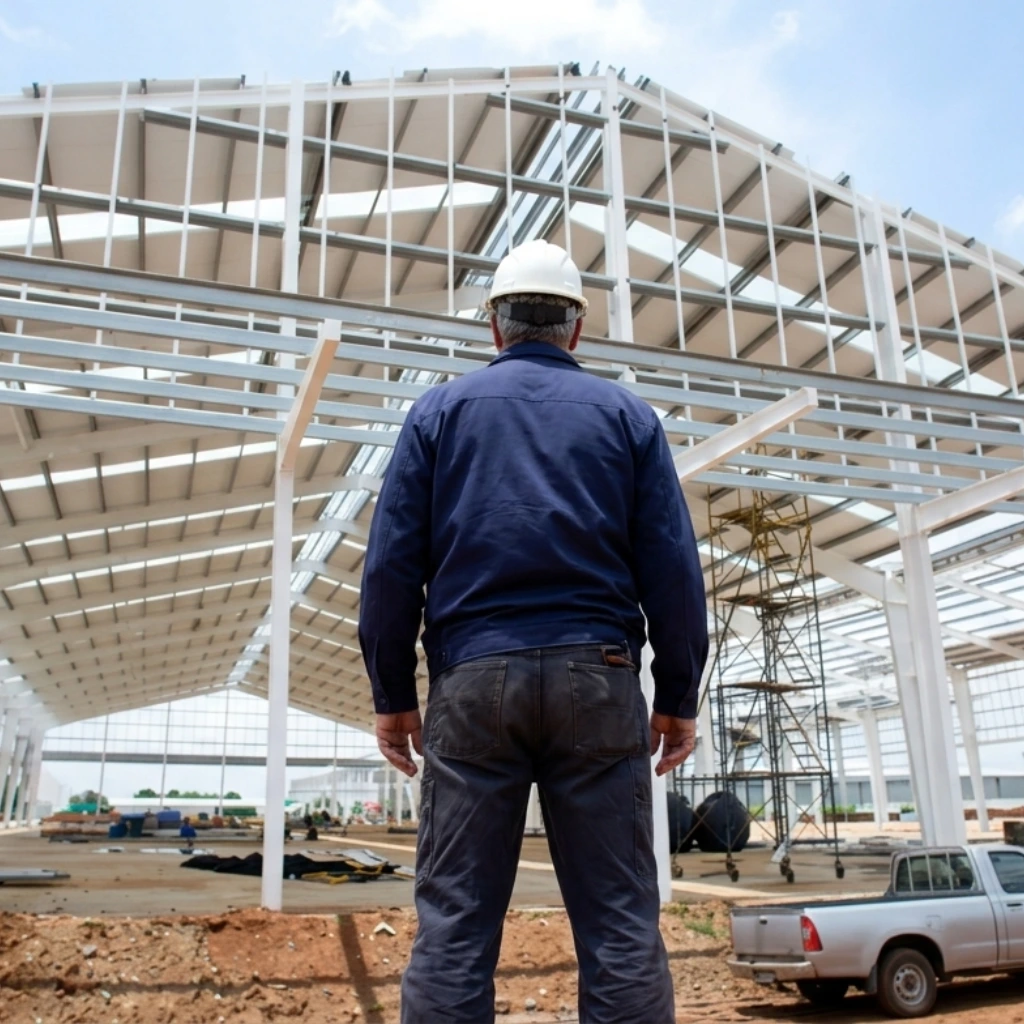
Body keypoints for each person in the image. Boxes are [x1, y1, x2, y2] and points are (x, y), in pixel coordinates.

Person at [359, 239, 707, 1024]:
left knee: (454, 925)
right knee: (620, 922)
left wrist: (392, 694)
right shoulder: (629, 418)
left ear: (495, 327)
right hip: (600, 680)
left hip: (472, 684)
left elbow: (389, 568)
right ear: (576, 328)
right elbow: (674, 571)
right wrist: (678, 695)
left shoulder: (437, 414)